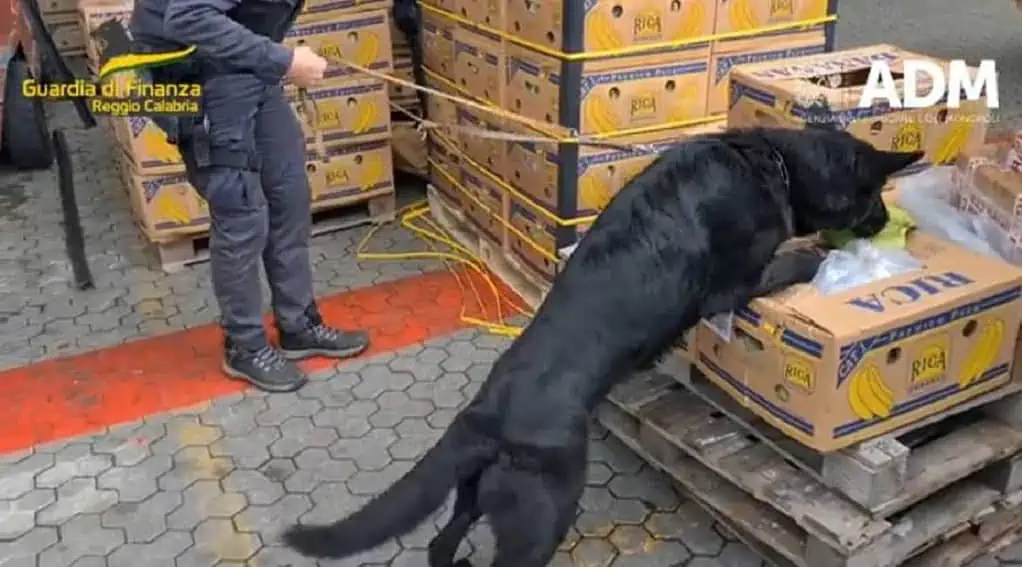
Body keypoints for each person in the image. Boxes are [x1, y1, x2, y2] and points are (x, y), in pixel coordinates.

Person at [129, 0, 370, 392]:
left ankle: (297, 324)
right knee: (242, 214)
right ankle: (244, 345)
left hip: (245, 70)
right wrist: (284, 61)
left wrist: (272, 59)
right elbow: (189, 16)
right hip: (199, 77)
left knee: (288, 196)